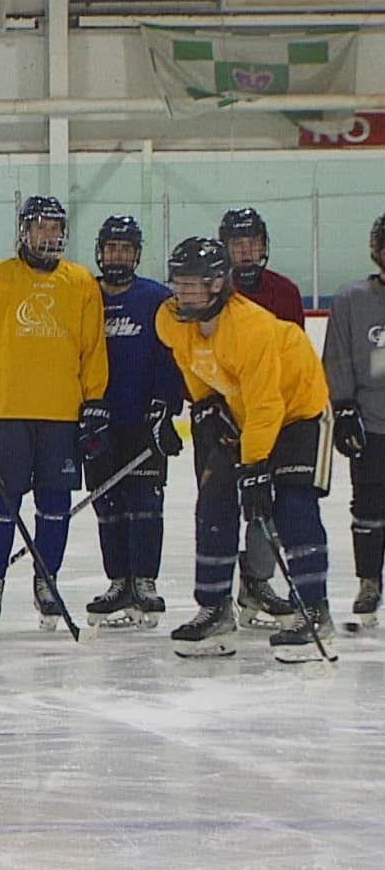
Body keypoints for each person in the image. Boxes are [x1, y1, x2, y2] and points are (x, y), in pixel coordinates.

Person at [155, 237, 333, 658]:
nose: (182, 291)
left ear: (218, 284)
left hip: (299, 410)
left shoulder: (249, 328)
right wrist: (206, 404)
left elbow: (268, 404)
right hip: (244, 411)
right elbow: (189, 359)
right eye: (178, 282)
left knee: (293, 505)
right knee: (214, 501)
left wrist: (255, 468)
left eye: (192, 283)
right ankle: (214, 608)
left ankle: (314, 609)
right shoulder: (170, 319)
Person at [0, 195, 108, 631]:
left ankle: (47, 580)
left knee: (55, 506)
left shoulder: (80, 283)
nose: (49, 235)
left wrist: (94, 402)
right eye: (41, 226)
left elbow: (93, 348)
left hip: (62, 414)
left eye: (55, 227)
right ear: (24, 230)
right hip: (9, 413)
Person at [83, 216, 183, 629]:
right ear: (100, 251)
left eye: (126, 248)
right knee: (108, 504)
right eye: (112, 247)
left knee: (145, 503)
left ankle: (144, 581)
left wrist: (165, 408)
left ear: (137, 254)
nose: (118, 255)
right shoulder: (85, 296)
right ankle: (117, 581)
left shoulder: (158, 299)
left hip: (142, 422)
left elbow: (172, 356)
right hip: (99, 421)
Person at [218, 207, 306, 624]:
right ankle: (215, 591)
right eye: (238, 244)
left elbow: (296, 358)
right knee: (217, 504)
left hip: (271, 416)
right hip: (223, 419)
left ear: (264, 245)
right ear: (226, 249)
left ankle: (255, 582)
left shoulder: (284, 292)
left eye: (252, 242)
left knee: (263, 500)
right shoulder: (213, 291)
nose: (246, 251)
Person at [321, 213, 385, 629]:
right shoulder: (351, 301)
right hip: (373, 424)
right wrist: (343, 410)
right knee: (368, 506)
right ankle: (369, 582)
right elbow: (338, 357)